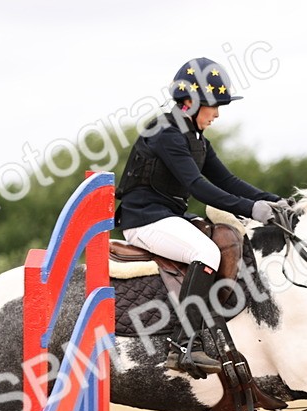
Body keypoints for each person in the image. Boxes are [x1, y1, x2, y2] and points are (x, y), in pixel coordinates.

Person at [115, 57, 284, 376]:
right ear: (190, 102)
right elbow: (198, 186)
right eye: (213, 106)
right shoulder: (166, 132)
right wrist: (251, 209)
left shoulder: (196, 139)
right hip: (144, 221)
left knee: (221, 242)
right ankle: (181, 347)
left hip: (166, 216)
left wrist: (274, 201)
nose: (218, 114)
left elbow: (228, 181)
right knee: (204, 252)